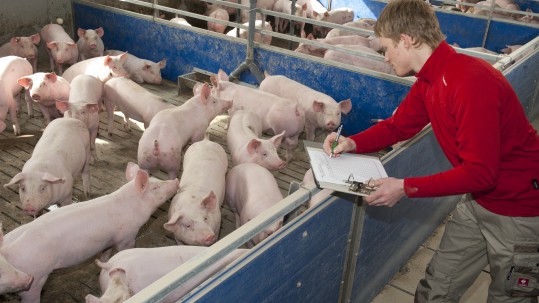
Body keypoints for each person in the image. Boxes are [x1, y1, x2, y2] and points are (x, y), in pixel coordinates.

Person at [322, 0, 539, 301]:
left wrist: (405, 187)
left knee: (510, 296)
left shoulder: (469, 82)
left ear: (406, 40)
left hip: (520, 210)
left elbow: (481, 173)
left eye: (385, 49)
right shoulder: (430, 80)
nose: (384, 58)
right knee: (437, 287)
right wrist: (351, 143)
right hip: (478, 202)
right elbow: (398, 127)